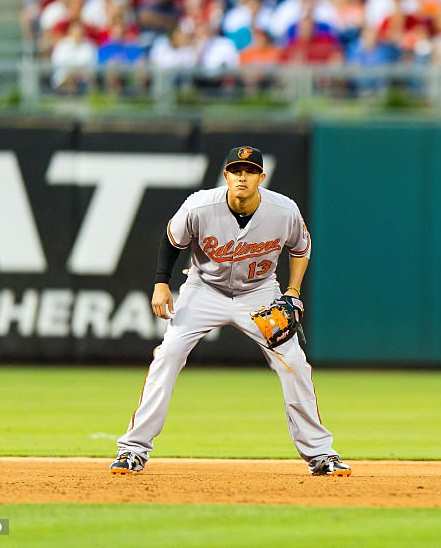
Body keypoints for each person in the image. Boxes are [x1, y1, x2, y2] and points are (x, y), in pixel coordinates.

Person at [110, 146, 351, 478]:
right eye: (236, 170)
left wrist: (293, 291)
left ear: (261, 178)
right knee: (169, 354)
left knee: (293, 363)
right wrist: (160, 283)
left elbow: (301, 248)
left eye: (250, 171)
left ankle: (321, 455)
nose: (242, 176)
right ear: (225, 175)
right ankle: (132, 450)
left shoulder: (284, 210)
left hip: (260, 293)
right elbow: (172, 240)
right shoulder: (199, 205)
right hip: (204, 290)